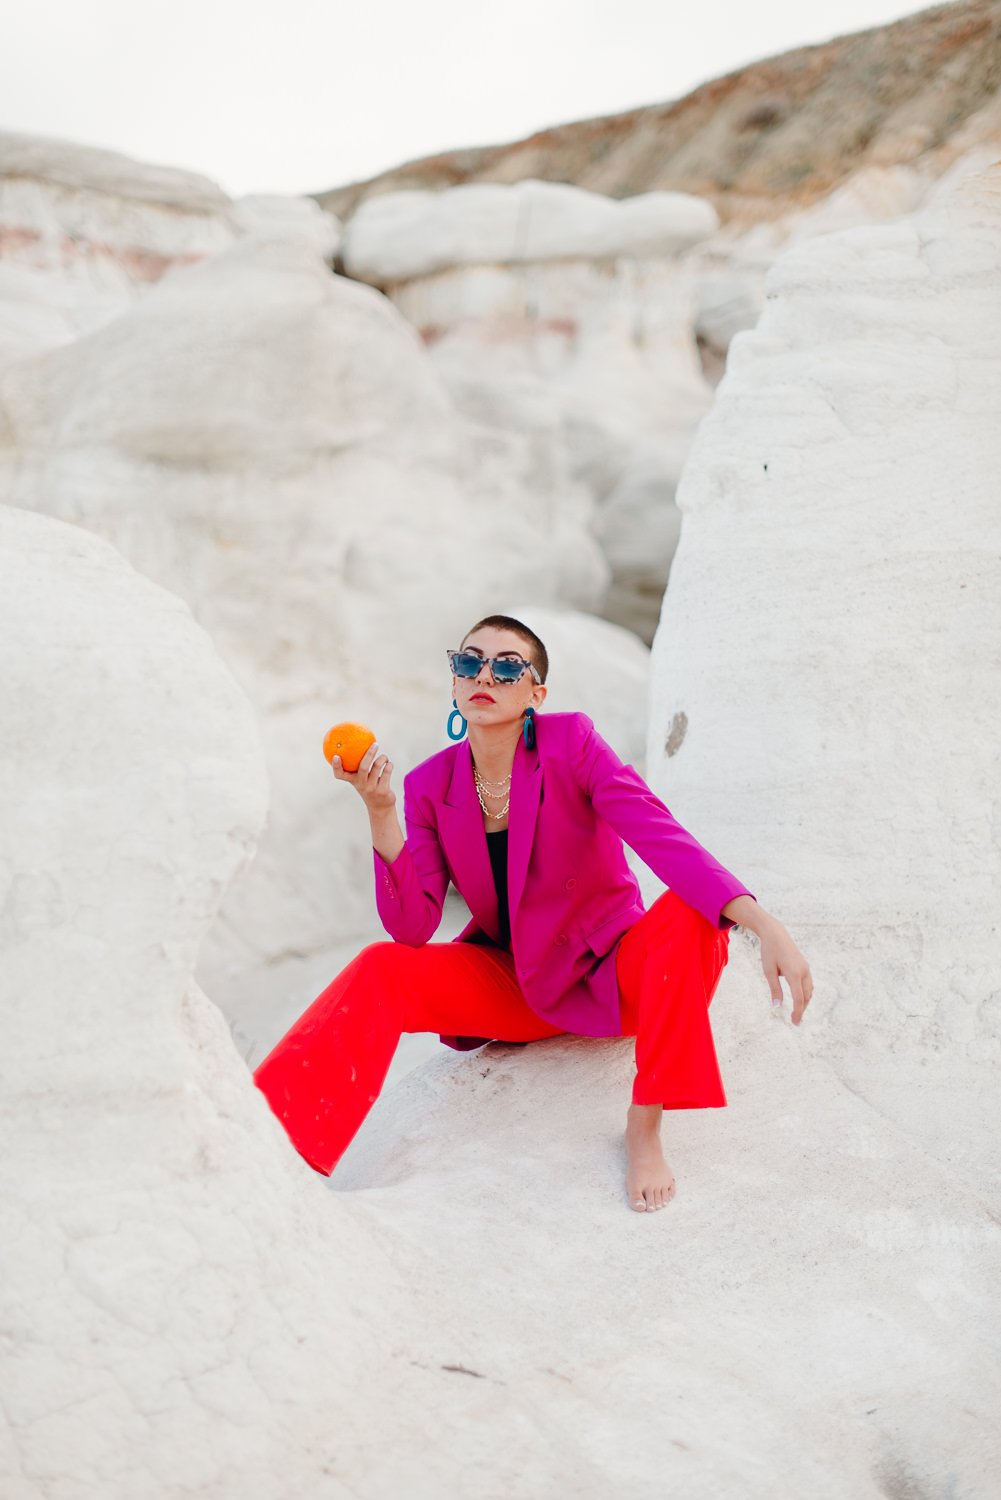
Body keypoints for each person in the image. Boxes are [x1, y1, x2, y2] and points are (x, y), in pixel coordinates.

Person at [253, 613, 813, 1212]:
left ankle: (644, 1123)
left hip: (611, 975)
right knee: (380, 967)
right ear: (454, 680)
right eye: (468, 662)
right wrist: (381, 811)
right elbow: (412, 926)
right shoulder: (427, 786)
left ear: (535, 693)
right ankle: (270, 1139)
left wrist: (763, 922)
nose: (483, 675)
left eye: (506, 665)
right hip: (519, 981)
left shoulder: (572, 743)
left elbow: (661, 839)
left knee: (690, 915)